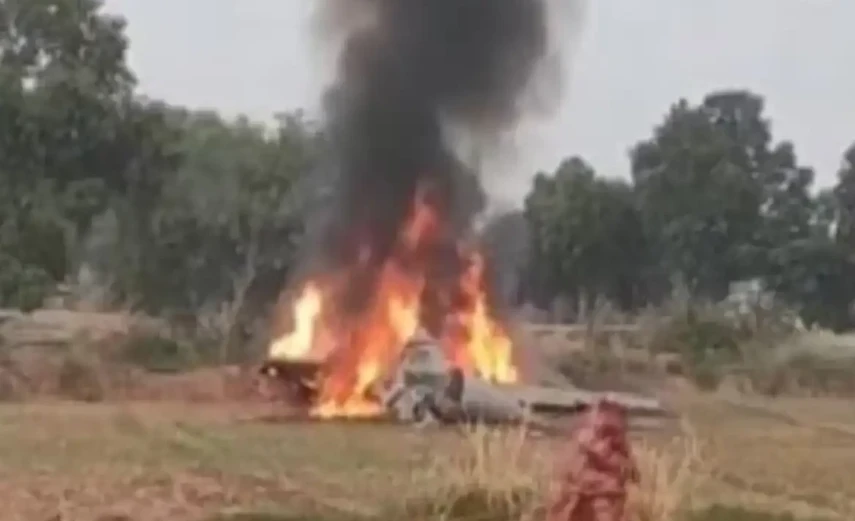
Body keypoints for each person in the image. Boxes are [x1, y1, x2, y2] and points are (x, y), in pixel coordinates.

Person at [546, 399, 639, 521]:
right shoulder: (587, 440)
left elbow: (629, 467)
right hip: (590, 493)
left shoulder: (598, 438)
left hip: (604, 494)